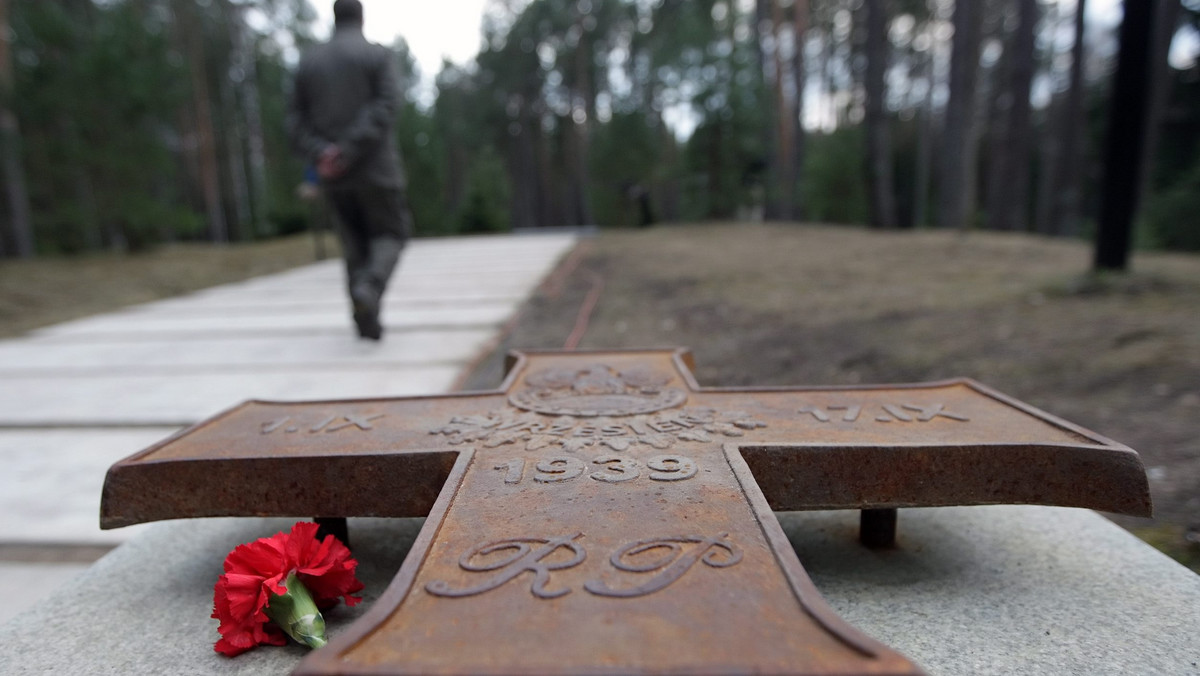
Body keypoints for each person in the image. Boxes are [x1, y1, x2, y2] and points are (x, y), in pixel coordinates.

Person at [287, 0, 411, 340]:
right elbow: (387, 105)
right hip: (376, 170)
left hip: (333, 175)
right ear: (361, 17)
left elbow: (294, 121)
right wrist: (350, 148)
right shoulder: (377, 56)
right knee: (391, 235)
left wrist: (323, 152)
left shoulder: (309, 62)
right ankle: (369, 288)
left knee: (354, 247)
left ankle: (364, 321)